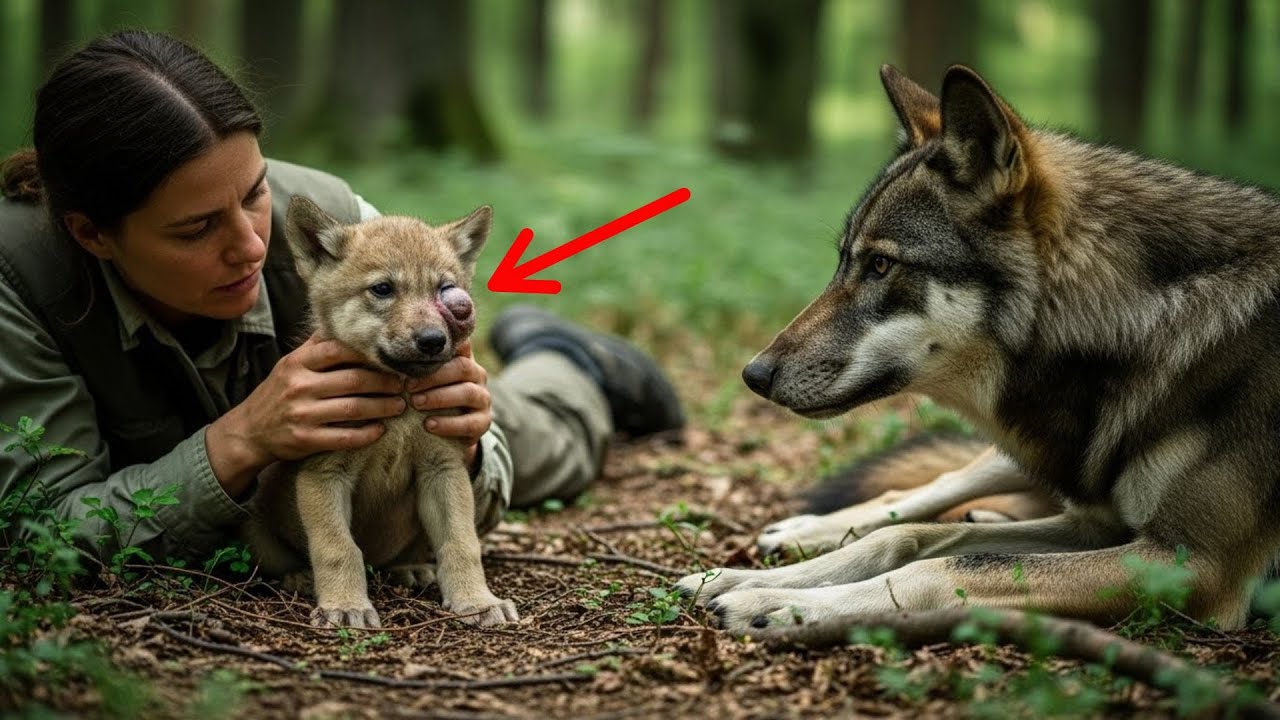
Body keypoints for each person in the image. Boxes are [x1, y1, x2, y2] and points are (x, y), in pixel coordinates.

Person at [0, 30, 684, 565]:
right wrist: (241, 441)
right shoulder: (18, 282)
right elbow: (42, 534)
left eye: (255, 193)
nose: (252, 244)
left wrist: (471, 448)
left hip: (386, 440)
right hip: (234, 478)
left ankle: (570, 361)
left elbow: (469, 458)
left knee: (539, 438)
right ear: (93, 233)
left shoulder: (335, 225)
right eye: (197, 229)